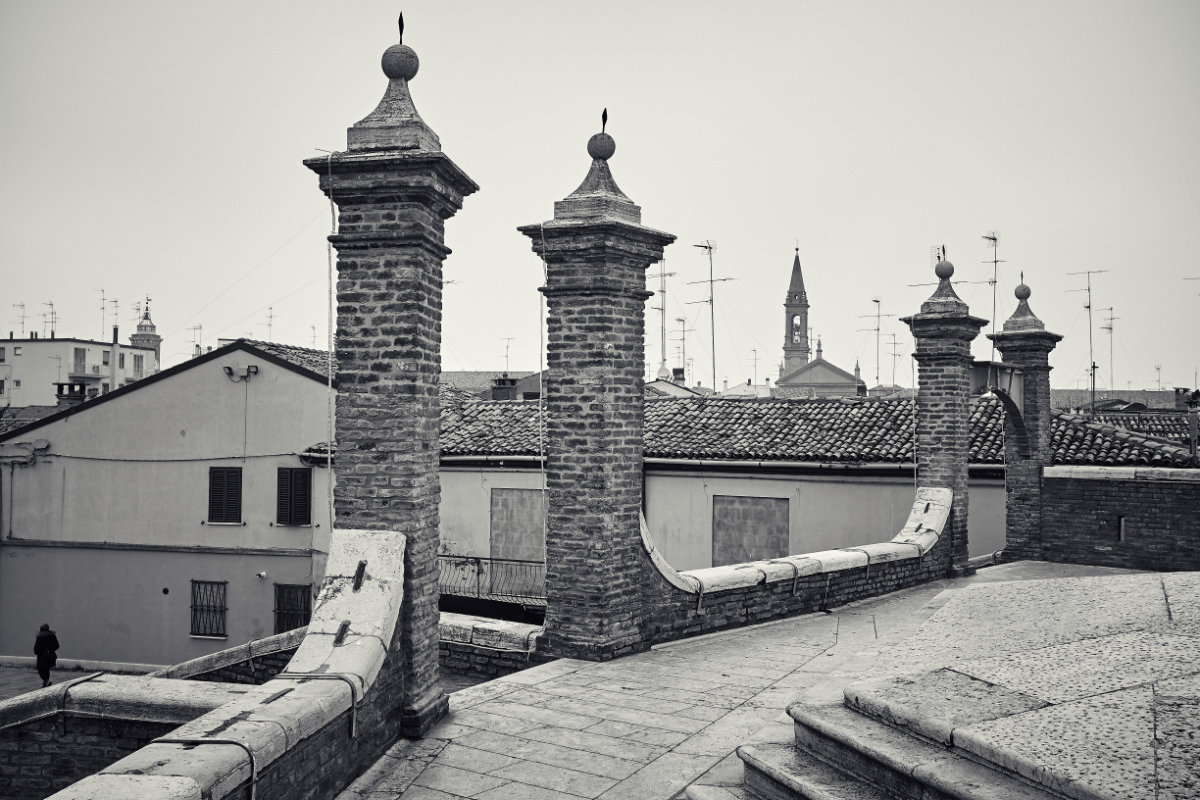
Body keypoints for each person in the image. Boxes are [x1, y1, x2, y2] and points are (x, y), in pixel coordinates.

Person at [34, 623, 59, 687]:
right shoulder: (52, 636)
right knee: (47, 669)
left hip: (42, 657)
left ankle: (46, 681)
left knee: (41, 670)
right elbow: (57, 646)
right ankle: (46, 681)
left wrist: (38, 652)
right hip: (51, 656)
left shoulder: (40, 637)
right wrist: (51, 650)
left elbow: (36, 648)